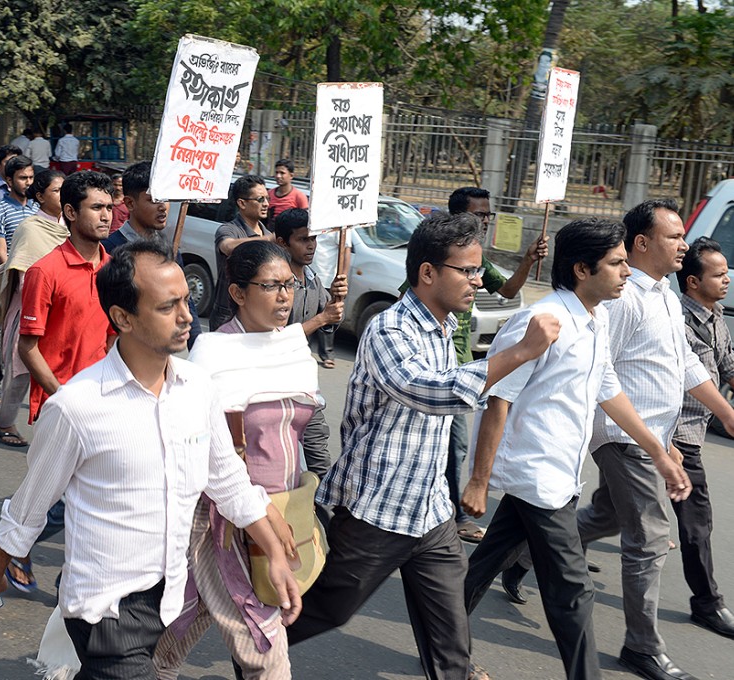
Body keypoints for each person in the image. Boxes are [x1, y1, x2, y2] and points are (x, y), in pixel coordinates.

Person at [0, 238, 301, 680]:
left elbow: (229, 483)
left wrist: (273, 550)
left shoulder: (199, 389)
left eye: (186, 301)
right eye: (168, 307)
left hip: (168, 598)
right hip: (104, 610)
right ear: (123, 317)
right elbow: (30, 506)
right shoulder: (77, 407)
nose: (187, 316)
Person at [284, 211, 560, 680]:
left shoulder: (445, 327)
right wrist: (519, 352)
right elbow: (432, 390)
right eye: (467, 270)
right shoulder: (390, 329)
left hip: (430, 510)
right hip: (378, 507)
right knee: (328, 610)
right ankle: (255, 650)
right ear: (429, 272)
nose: (478, 280)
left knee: (449, 632)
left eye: (479, 269)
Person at [461, 218, 693, 680]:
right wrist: (479, 481)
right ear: (582, 269)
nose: (628, 272)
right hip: (536, 472)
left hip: (563, 471)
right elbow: (498, 401)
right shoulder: (540, 320)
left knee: (484, 564)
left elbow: (611, 390)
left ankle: (441, 634)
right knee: (572, 591)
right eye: (617, 263)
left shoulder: (596, 318)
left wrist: (659, 452)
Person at [576, 199, 734, 680]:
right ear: (642, 242)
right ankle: (642, 647)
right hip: (624, 438)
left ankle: (526, 553)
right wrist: (654, 446)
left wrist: (726, 412)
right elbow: (602, 377)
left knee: (603, 516)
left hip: (655, 435)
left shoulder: (665, 294)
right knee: (649, 538)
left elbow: (686, 364)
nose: (684, 245)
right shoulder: (622, 300)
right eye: (674, 237)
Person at [153, 240, 319, 679]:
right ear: (239, 293)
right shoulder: (213, 354)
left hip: (284, 513)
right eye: (271, 286)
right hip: (226, 521)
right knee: (266, 650)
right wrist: (253, 515)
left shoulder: (294, 347)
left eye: (289, 284)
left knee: (178, 626)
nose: (285, 296)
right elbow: (208, 452)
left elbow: (308, 427)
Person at [400, 186, 548, 546]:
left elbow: (508, 292)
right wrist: (522, 351)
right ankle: (454, 513)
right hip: (435, 372)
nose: (485, 221)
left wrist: (528, 260)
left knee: (447, 443)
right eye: (478, 215)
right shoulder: (428, 274)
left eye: (488, 215)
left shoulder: (476, 263)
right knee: (451, 443)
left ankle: (441, 510)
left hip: (462, 364)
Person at [2, 170, 116, 592]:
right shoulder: (45, 270)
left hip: (103, 400)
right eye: (96, 208)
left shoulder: (112, 269)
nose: (107, 216)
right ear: (70, 212)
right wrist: (63, 395)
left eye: (109, 207)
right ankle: (16, 540)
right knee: (60, 492)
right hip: (61, 402)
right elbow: (28, 348)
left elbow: (111, 336)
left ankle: (72, 575)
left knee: (95, 493)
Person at [671, 237, 734, 639]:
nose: (727, 279)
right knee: (696, 524)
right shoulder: (675, 318)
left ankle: (527, 558)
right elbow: (693, 377)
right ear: (693, 282)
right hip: (669, 433)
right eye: (719, 274)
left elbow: (728, 366)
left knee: (608, 514)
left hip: (691, 432)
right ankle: (707, 604)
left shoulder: (716, 315)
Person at [0, 169, 68, 448]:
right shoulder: (31, 228)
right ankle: (5, 424)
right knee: (19, 374)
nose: (62, 195)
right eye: (57, 190)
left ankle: (55, 429)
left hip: (62, 312)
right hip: (30, 309)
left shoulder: (71, 226)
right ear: (40, 196)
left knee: (58, 372)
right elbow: (24, 274)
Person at [273, 208, 345, 484]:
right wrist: (323, 317)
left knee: (319, 459)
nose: (311, 245)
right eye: (303, 239)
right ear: (282, 243)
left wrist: (335, 303)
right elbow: (277, 338)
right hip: (273, 388)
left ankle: (322, 516)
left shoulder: (313, 279)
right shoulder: (274, 283)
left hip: (303, 384)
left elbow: (328, 326)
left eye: (313, 238)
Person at [101, 160, 200, 349]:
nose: (163, 206)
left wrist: (197, 344)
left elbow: (186, 301)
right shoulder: (109, 250)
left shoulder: (170, 250)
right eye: (154, 200)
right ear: (130, 203)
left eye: (165, 198)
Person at [0, 155, 37, 405]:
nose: (28, 182)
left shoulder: (37, 208)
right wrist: (19, 274)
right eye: (23, 178)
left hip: (35, 283)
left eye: (31, 177)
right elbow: (1, 252)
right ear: (9, 180)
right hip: (7, 281)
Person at [210, 176, 273, 330]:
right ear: (242, 203)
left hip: (258, 316)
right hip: (228, 316)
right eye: (260, 199)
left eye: (267, 198)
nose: (266, 204)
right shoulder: (229, 230)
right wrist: (268, 240)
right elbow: (227, 246)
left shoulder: (267, 233)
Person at [266, 159, 308, 230]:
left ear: (291, 176)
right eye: (276, 173)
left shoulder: (299, 196)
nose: (278, 176)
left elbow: (305, 219)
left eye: (282, 173)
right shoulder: (269, 194)